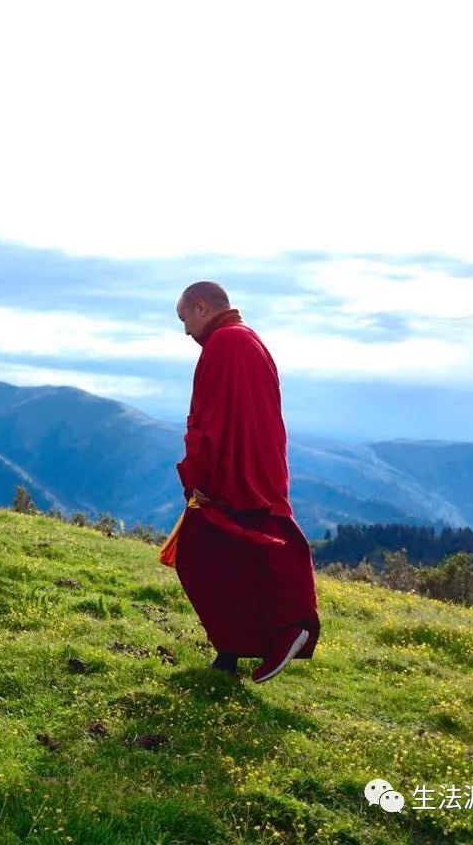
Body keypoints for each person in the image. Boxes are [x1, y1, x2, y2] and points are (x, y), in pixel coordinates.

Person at [159, 281, 320, 682]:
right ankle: (231, 653)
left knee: (203, 555)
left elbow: (207, 421)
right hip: (255, 466)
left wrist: (196, 475)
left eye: (184, 319)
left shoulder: (224, 345)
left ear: (201, 307)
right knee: (228, 556)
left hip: (232, 475)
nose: (185, 332)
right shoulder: (248, 341)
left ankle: (289, 628)